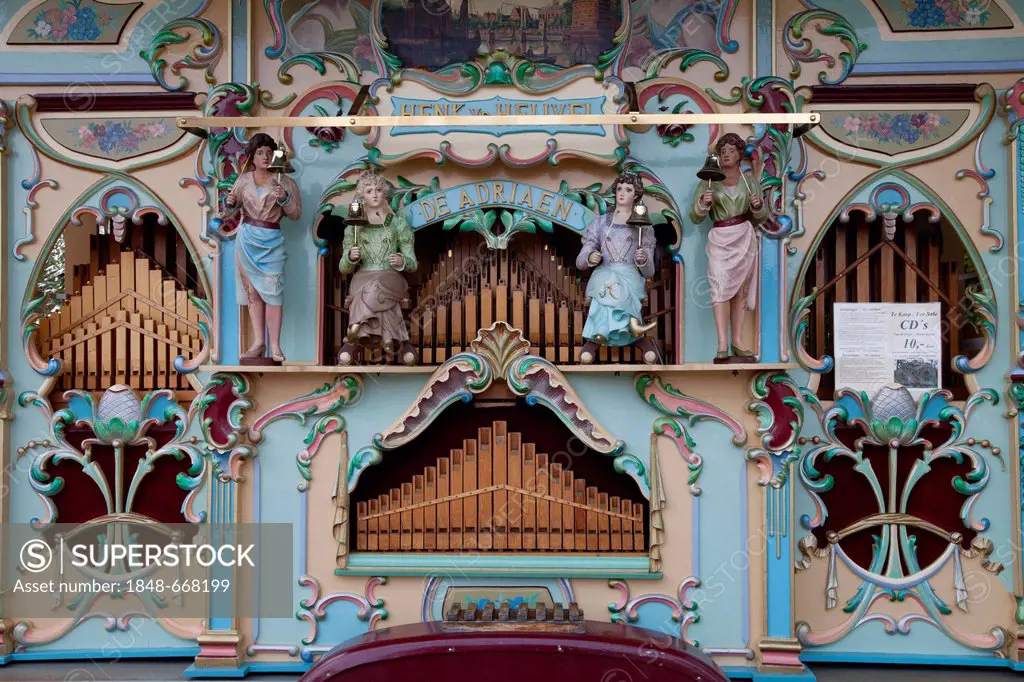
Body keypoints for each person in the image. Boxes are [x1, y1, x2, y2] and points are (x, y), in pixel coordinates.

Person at [690, 133, 767, 361]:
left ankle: (738, 341)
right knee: (719, 288)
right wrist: (703, 205)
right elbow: (694, 217)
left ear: (739, 155)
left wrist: (758, 206)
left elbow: (761, 217)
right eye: (722, 151)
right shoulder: (708, 182)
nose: (726, 154)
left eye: (731, 151)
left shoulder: (750, 181)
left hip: (743, 236)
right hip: (720, 238)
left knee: (740, 291)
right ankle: (722, 343)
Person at [225, 133, 301, 362]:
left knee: (273, 293)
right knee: (253, 292)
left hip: (271, 237)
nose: (265, 157)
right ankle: (259, 342)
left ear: (275, 155)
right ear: (252, 156)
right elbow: (230, 212)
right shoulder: (243, 180)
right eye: (260, 153)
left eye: (269, 152)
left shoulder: (285, 182)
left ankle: (275, 346)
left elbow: (296, 214)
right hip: (247, 238)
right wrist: (229, 204)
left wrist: (285, 199)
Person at [576, 171, 659, 364]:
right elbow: (580, 261)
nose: (622, 193)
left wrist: (643, 259)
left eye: (628, 189)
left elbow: (650, 271)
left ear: (636, 195)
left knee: (614, 287)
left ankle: (597, 342)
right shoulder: (601, 222)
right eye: (620, 188)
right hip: (605, 273)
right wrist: (590, 256)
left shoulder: (644, 226)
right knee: (607, 285)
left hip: (630, 275)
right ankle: (633, 337)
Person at [338, 171, 418, 365]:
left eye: (378, 190)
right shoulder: (354, 227)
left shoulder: (398, 224)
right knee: (368, 287)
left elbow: (413, 263)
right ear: (362, 196)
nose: (374, 194)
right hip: (363, 275)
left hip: (391, 276)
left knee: (373, 287)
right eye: (369, 190)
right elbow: (344, 268)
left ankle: (353, 337)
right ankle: (394, 338)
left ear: (385, 194)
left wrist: (402, 261)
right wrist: (350, 257)